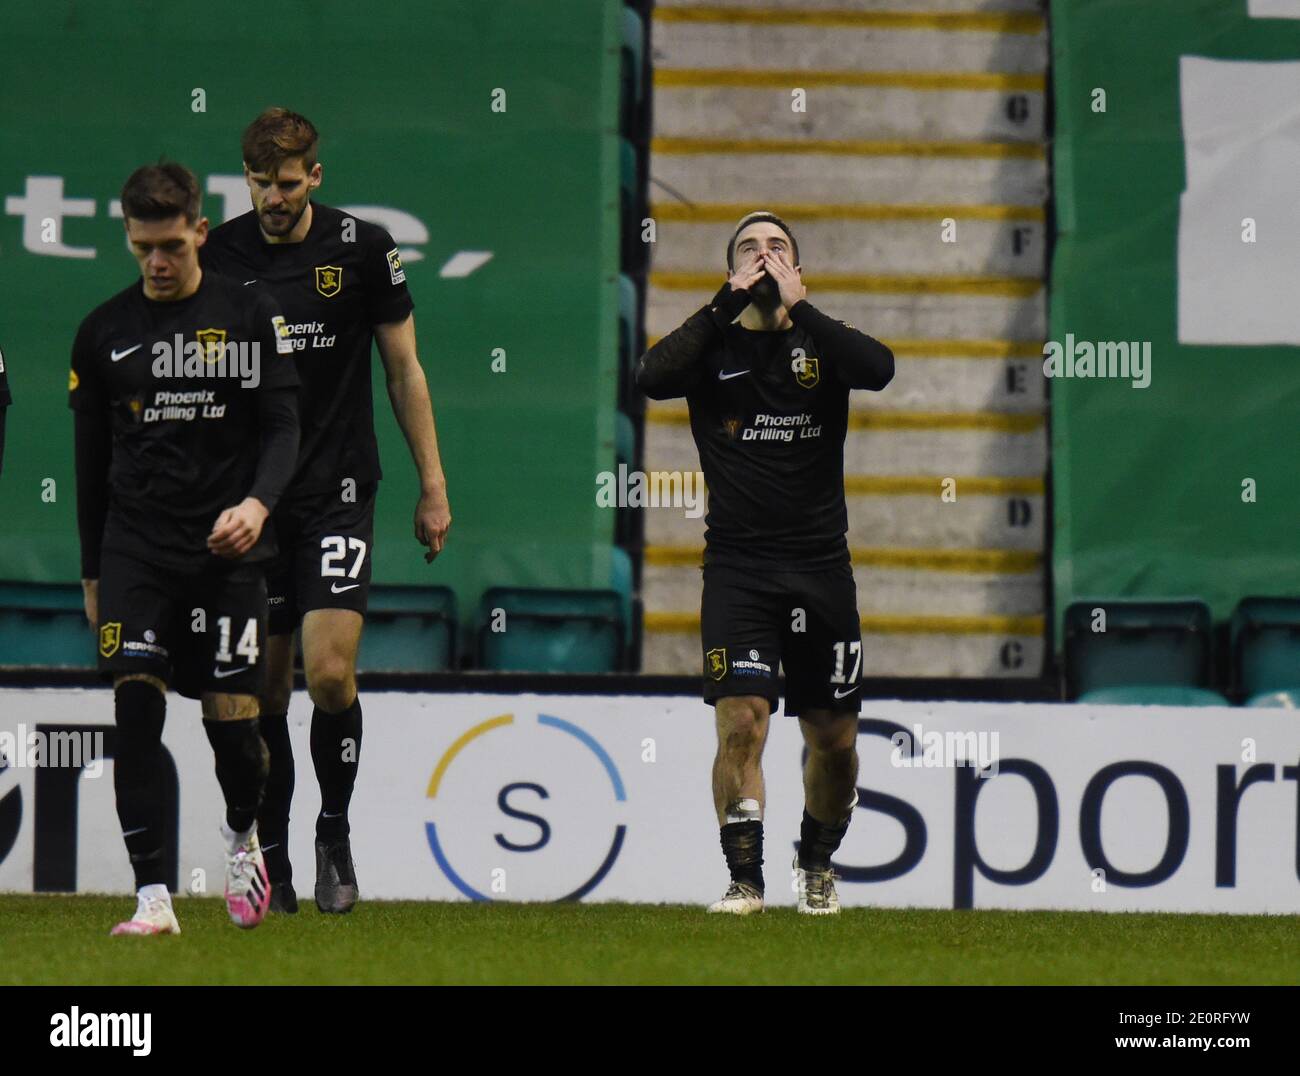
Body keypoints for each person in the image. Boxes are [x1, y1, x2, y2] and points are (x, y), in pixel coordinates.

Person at [203, 108, 451, 914]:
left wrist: (433, 484)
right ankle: (269, 853)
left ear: (314, 176)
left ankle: (333, 830)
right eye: (258, 183)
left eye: (285, 183)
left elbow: (404, 372)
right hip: (256, 501)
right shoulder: (221, 256)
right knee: (268, 692)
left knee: (332, 673)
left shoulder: (364, 249)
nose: (271, 198)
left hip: (340, 487)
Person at [636, 211, 894, 915]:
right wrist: (726, 302)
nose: (764, 255)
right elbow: (652, 374)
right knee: (742, 721)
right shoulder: (711, 349)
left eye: (777, 248)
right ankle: (744, 879)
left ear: (797, 269)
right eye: (749, 249)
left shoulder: (821, 346)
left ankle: (816, 857)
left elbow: (881, 368)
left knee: (834, 740)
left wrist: (803, 306)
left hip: (820, 569)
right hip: (738, 570)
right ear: (732, 270)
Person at [71, 161, 300, 934]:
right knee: (134, 710)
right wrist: (93, 570)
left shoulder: (249, 313)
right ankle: (153, 899)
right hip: (137, 547)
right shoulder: (103, 332)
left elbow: (282, 426)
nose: (158, 263)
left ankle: (243, 837)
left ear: (201, 230)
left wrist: (258, 504)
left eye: (170, 244)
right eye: (143, 248)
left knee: (234, 728)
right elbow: (89, 464)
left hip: (228, 553)